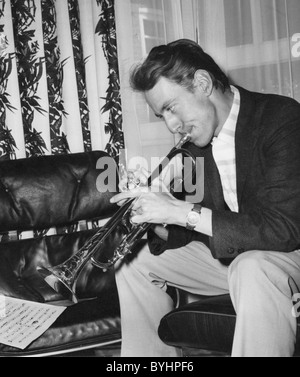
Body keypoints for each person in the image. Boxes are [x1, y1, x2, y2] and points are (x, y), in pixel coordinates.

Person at [110, 39, 300, 357]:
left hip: (287, 256)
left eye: (171, 108)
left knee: (252, 267)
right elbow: (191, 230)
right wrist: (153, 215)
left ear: (202, 83)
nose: (172, 125)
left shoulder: (282, 119)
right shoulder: (196, 144)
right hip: (235, 260)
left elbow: (282, 229)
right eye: (162, 116)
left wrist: (181, 211)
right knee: (134, 262)